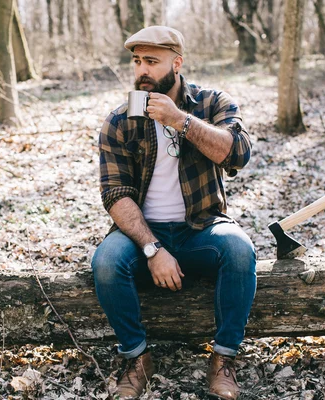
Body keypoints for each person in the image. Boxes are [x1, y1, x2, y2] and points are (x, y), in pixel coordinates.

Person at [91, 26, 256, 400]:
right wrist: (152, 248)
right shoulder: (121, 120)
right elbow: (115, 193)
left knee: (240, 250)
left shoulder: (212, 103)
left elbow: (238, 154)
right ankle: (136, 359)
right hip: (141, 235)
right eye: (137, 62)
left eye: (152, 61)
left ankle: (224, 360)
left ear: (177, 64)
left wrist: (180, 120)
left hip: (201, 228)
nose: (142, 71)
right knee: (105, 263)